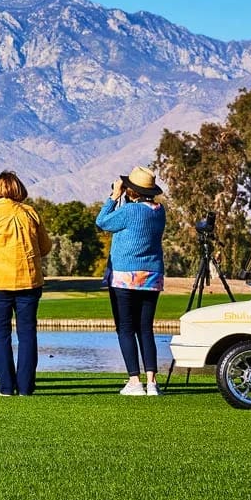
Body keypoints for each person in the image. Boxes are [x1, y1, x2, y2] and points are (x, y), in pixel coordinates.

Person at [0, 171, 52, 396]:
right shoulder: (30, 213)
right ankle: (25, 387)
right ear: (18, 189)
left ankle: (5, 387)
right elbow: (45, 247)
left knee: (0, 333)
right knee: (27, 333)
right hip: (29, 280)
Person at [98, 165, 167, 396]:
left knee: (126, 328)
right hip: (152, 276)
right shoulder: (159, 211)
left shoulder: (130, 211)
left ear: (132, 191)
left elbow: (102, 221)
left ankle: (134, 382)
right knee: (145, 329)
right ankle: (152, 383)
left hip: (125, 277)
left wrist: (114, 196)